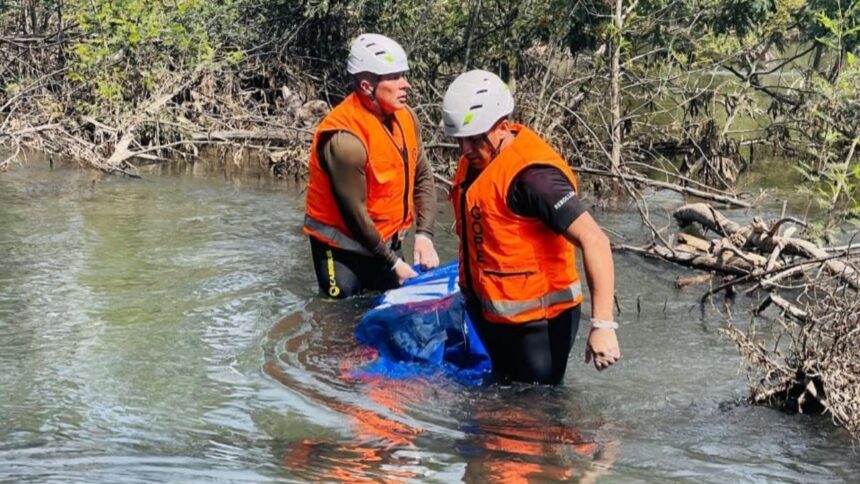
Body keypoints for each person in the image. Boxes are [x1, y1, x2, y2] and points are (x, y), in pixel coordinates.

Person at [441, 69, 620, 384]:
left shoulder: (535, 178)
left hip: (539, 324)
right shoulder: (477, 160)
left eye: (473, 139)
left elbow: (595, 240)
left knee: (535, 415)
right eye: (459, 140)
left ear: (503, 127)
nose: (465, 150)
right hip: (493, 314)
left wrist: (603, 325)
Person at [304, 33, 439, 298]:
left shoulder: (407, 118)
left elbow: (422, 175)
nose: (406, 85)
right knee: (342, 310)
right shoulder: (344, 141)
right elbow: (355, 216)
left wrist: (425, 234)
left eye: (404, 75)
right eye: (395, 77)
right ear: (367, 86)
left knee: (395, 308)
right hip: (341, 247)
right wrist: (394, 262)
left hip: (384, 240)